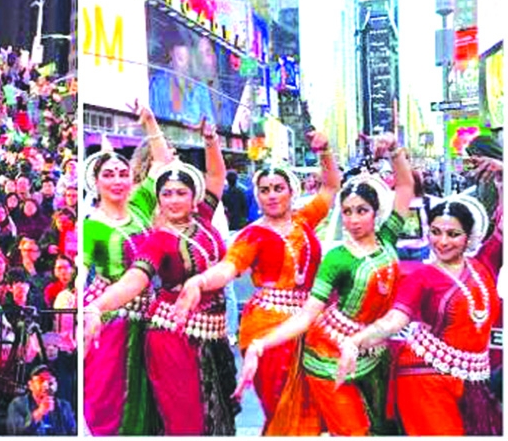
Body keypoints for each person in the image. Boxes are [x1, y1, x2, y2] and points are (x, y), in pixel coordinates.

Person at [233, 134, 414, 435]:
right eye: (347, 212)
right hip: (328, 354)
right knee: (352, 431)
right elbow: (307, 315)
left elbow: (405, 186)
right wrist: (259, 345)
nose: (354, 220)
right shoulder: (336, 258)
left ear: (376, 212)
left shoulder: (387, 239)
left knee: (381, 428)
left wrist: (394, 151)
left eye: (362, 211)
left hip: (374, 350)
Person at [174, 131, 341, 433]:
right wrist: (200, 281)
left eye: (279, 188)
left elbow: (331, 187)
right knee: (280, 407)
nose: (272, 195)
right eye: (265, 190)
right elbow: (228, 268)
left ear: (292, 192)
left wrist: (325, 150)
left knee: (316, 408)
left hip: (311, 324)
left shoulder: (304, 220)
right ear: (257, 195)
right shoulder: (252, 235)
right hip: (268, 327)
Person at [85, 120, 237, 434]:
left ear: (194, 196)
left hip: (212, 336)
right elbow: (135, 279)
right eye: (166, 194)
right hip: (174, 336)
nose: (173, 199)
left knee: (218, 418)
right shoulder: (159, 239)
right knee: (187, 421)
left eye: (181, 193)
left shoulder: (204, 218)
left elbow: (217, 176)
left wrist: (210, 141)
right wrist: (96, 307)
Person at [337, 193, 503, 435]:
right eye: (435, 232)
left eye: (453, 234)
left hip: (472, 379)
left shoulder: (485, 263)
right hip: (423, 375)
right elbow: (395, 320)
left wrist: (502, 177)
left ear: (469, 237)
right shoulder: (422, 278)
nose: (442, 241)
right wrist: (355, 341)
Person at [82, 106, 171, 436]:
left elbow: (162, 162)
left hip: (150, 314)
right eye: (109, 175)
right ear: (96, 181)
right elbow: (82, 271)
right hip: (112, 319)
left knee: (154, 398)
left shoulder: (140, 205)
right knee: (110, 400)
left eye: (123, 173)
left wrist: (150, 120)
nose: (118, 180)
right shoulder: (92, 227)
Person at [6, 365, 77, 435]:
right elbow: (15, 432)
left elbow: (73, 432)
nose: (46, 385)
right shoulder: (17, 404)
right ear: (30, 385)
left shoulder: (64, 406)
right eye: (41, 380)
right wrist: (40, 412)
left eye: (50, 381)